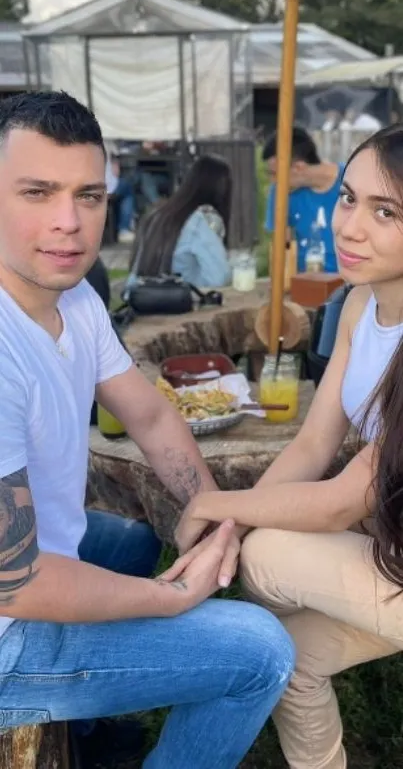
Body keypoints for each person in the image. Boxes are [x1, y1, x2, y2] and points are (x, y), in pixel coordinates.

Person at [0, 90, 295, 769]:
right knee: (261, 650)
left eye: (89, 195)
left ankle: (93, 730)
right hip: (12, 636)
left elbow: (153, 413)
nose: (69, 222)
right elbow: (16, 582)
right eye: (37, 192)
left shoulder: (73, 299)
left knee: (130, 537)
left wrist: (213, 509)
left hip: (35, 570)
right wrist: (171, 596)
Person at [175, 122, 403, 769]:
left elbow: (335, 504)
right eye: (347, 198)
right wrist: (229, 519)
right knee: (285, 654)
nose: (349, 225)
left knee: (268, 552)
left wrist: (225, 511)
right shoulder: (360, 304)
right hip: (387, 547)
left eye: (384, 211)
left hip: (386, 552)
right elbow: (310, 443)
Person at [126, 154, 232, 288]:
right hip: (177, 303)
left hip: (139, 298)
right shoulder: (199, 222)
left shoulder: (155, 214)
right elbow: (220, 278)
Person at [263, 125, 342, 273]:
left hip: (352, 285)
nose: (272, 181)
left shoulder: (353, 182)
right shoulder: (280, 193)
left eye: (274, 173)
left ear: (298, 168)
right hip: (303, 282)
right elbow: (282, 249)